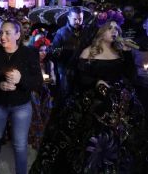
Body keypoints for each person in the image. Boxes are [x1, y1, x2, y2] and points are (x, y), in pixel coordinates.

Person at [30, 20, 148, 173]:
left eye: (116, 28)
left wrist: (126, 52)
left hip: (119, 104)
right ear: (100, 31)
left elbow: (130, 75)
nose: (114, 31)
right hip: (92, 104)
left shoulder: (120, 51)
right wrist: (96, 82)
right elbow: (79, 77)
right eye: (109, 28)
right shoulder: (88, 51)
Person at [0, 20, 42, 174]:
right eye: (1, 32)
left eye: (7, 32)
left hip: (21, 106)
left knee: (20, 144)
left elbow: (38, 82)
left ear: (18, 35)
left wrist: (21, 79)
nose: (2, 36)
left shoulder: (29, 54)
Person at [50, 6, 85, 106]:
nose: (78, 21)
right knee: (65, 91)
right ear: (68, 18)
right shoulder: (61, 32)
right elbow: (54, 51)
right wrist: (61, 53)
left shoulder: (86, 31)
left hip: (81, 67)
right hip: (65, 67)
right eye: (75, 19)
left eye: (80, 19)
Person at [28, 37, 55, 150]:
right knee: (36, 112)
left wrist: (46, 78)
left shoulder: (49, 64)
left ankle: (43, 138)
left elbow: (51, 81)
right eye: (40, 50)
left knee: (47, 112)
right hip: (33, 92)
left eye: (45, 50)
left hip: (44, 92)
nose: (43, 53)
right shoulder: (31, 63)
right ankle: (35, 139)